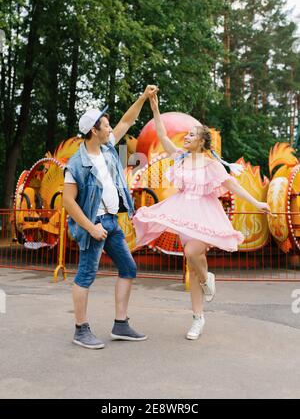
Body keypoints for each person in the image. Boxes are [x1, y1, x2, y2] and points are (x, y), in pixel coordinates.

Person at [133, 93, 271, 341]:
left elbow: (233, 186)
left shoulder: (212, 165)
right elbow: (163, 136)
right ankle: (198, 317)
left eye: (191, 135)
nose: (186, 137)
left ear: (202, 142)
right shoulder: (181, 158)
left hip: (205, 215)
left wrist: (256, 202)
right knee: (192, 269)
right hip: (182, 211)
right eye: (187, 134)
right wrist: (155, 109)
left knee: (192, 254)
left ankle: (208, 279)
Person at [63, 85, 158, 349]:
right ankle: (80, 330)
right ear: (94, 130)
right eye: (105, 125)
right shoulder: (76, 164)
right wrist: (90, 228)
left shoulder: (106, 150)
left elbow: (127, 120)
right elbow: (68, 202)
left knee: (128, 268)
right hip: (94, 225)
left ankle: (120, 324)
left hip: (112, 223)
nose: (110, 128)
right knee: (85, 276)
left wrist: (142, 97)